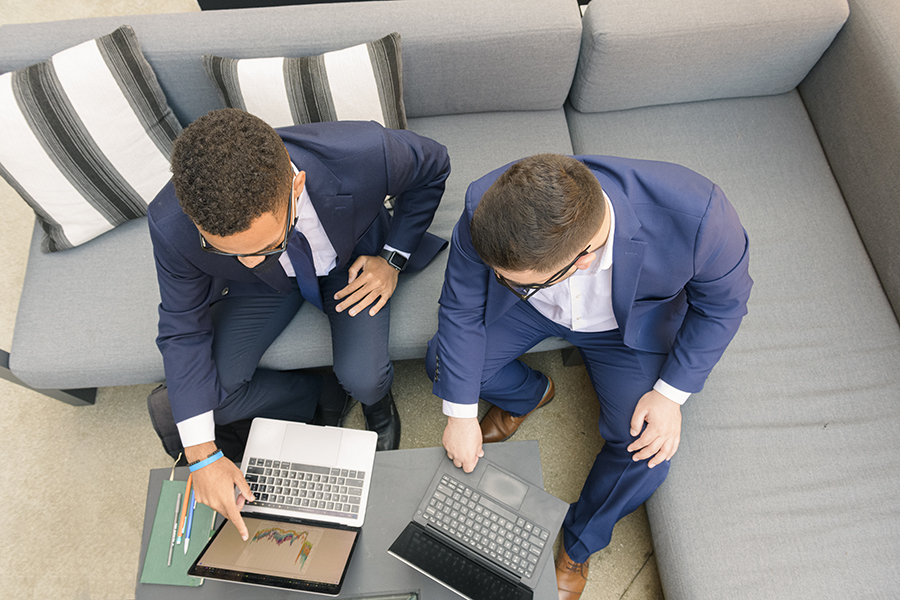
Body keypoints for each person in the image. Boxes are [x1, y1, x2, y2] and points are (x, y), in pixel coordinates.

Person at [426, 154, 751, 599]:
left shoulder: (701, 217)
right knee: (443, 367)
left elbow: (723, 306)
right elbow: (463, 307)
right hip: (531, 312)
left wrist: (670, 394)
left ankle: (578, 544)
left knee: (645, 449)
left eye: (510, 279)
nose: (495, 279)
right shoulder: (487, 204)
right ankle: (529, 394)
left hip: (627, 328)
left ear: (580, 260)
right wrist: (460, 415)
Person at [149, 108, 450, 542]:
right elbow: (182, 326)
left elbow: (435, 165)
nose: (250, 260)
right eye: (229, 251)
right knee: (212, 400)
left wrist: (392, 258)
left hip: (353, 260)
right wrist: (201, 456)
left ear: (297, 187)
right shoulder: (171, 222)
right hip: (263, 289)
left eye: (265, 244)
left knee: (364, 378)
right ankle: (319, 393)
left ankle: (375, 406)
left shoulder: (367, 152)